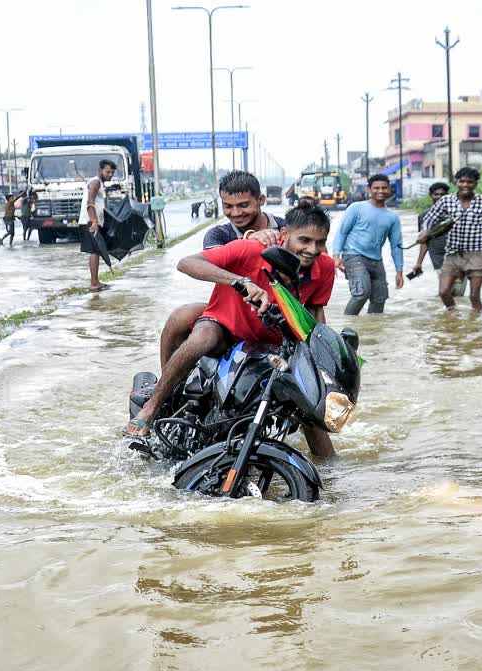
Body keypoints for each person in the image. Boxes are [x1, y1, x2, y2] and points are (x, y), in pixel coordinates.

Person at [126, 200, 337, 457]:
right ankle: (152, 407)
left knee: (305, 398)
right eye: (304, 240)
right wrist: (239, 281)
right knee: (201, 339)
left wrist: (321, 354)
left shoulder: (325, 266)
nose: (311, 249)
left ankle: (331, 473)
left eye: (319, 242)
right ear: (284, 236)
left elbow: (315, 311)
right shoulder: (250, 249)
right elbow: (187, 263)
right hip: (224, 326)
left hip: (273, 339)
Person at [160, 171, 282, 368]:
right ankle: (165, 382)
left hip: (276, 312)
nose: (235, 213)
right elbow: (208, 263)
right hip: (230, 312)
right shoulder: (218, 234)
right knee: (179, 317)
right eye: (228, 206)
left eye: (243, 205)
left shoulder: (285, 228)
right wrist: (248, 242)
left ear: (261, 200)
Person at [417, 167, 482, 311]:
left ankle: (475, 325)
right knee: (444, 292)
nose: (465, 185)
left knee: (474, 295)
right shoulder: (446, 200)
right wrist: (424, 231)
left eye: (469, 182)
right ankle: (453, 317)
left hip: (476, 255)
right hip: (452, 255)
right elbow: (429, 218)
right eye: (461, 181)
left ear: (475, 184)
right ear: (456, 182)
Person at [333, 174, 404, 315]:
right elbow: (342, 232)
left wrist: (399, 271)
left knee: (380, 298)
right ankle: (347, 328)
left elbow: (396, 245)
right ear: (369, 189)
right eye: (376, 188)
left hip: (376, 260)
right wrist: (336, 255)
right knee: (361, 293)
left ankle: (372, 331)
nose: (381, 191)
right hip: (353, 256)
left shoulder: (393, 217)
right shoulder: (356, 208)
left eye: (384, 187)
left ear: (389, 189)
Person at [413, 181, 465, 297]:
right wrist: (419, 263)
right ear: (431, 195)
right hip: (438, 259)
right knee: (445, 292)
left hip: (459, 258)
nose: (439, 197)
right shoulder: (424, 216)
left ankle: (453, 314)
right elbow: (424, 241)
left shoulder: (458, 213)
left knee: (458, 293)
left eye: (442, 194)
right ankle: (447, 313)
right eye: (436, 194)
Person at [79, 160, 116, 292]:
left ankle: (96, 281)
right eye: (107, 171)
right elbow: (90, 202)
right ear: (100, 170)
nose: (110, 174)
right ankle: (94, 283)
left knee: (97, 251)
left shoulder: (100, 184)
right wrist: (94, 221)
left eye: (112, 172)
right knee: (94, 251)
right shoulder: (95, 182)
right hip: (90, 222)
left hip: (94, 222)